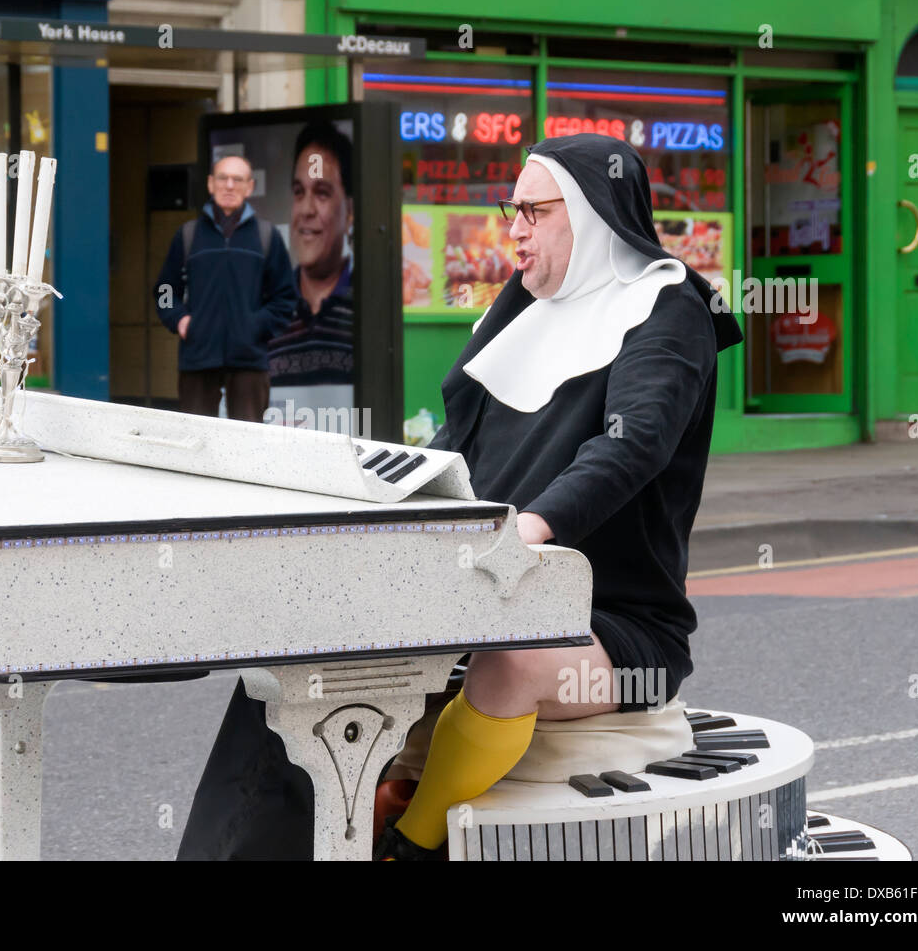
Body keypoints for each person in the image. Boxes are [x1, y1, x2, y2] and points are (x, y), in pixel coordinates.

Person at [175, 133, 742, 861]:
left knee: (510, 662)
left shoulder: (668, 310)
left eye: (533, 212)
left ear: (593, 214)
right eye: (511, 212)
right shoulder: (521, 311)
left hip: (611, 617)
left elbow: (631, 446)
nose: (514, 230)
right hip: (478, 585)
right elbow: (451, 450)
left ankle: (412, 842)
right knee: (301, 654)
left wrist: (530, 527)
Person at [154, 154, 297, 422]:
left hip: (249, 361)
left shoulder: (266, 237)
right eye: (223, 178)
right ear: (210, 184)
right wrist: (180, 320)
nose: (229, 185)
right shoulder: (188, 235)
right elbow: (164, 290)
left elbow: (286, 298)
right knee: (195, 441)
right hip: (198, 356)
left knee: (248, 446)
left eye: (238, 179)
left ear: (250, 187)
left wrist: (256, 326)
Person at [266, 120, 355, 397]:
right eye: (298, 192)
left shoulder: (368, 310)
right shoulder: (266, 308)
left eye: (322, 193)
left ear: (350, 211)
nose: (306, 210)